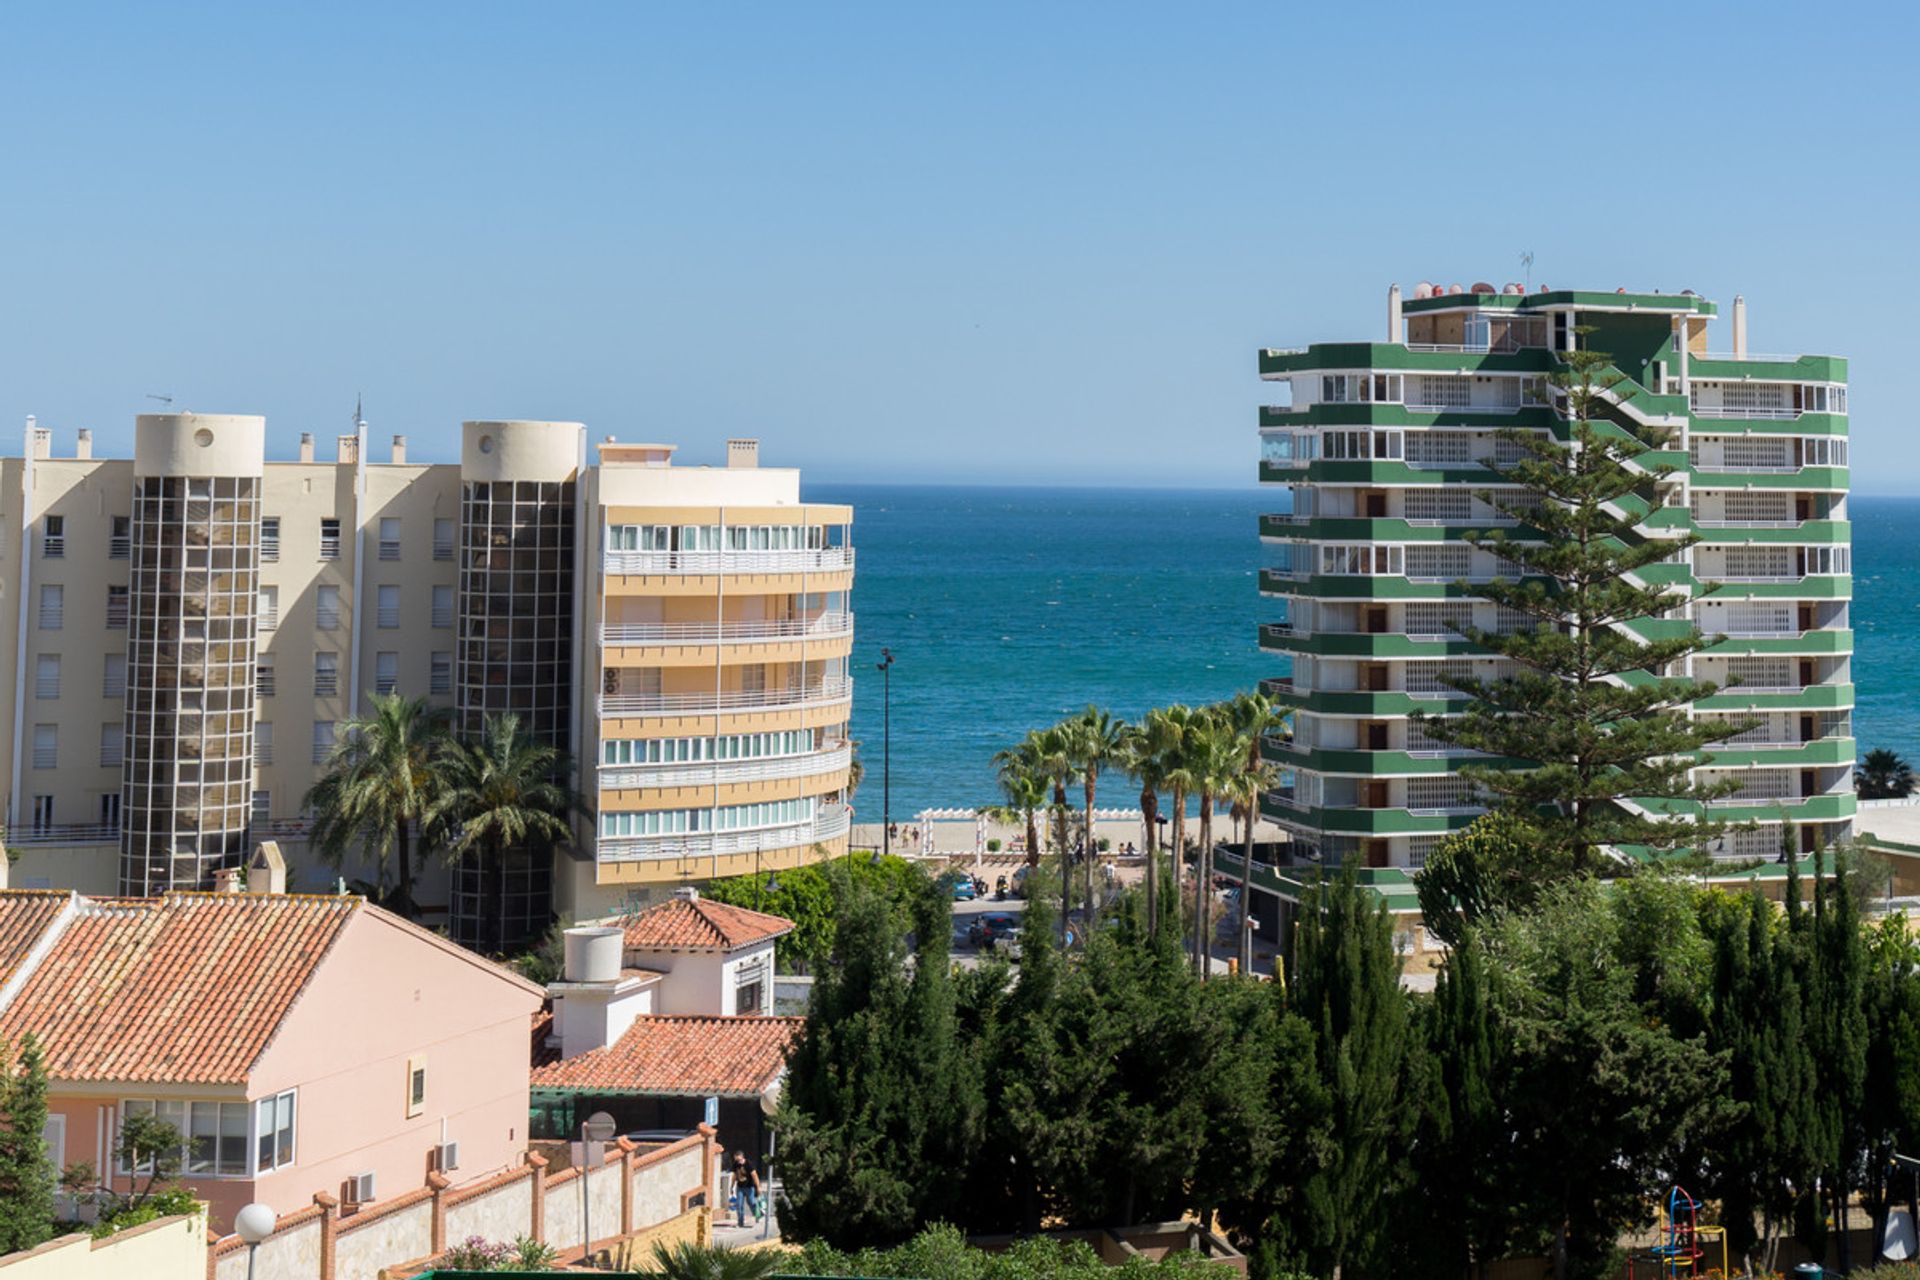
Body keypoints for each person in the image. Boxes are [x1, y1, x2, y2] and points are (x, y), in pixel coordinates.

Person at [731, 1150, 761, 1227]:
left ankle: (757, 1215)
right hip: (740, 1187)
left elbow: (755, 1175)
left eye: (739, 1160)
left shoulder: (749, 1164)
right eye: (736, 1160)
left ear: (742, 1157)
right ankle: (740, 1222)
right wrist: (732, 1186)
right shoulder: (735, 1164)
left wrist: (758, 1187)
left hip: (749, 1187)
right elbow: (734, 1175)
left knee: (751, 1202)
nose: (738, 1162)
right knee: (739, 1204)